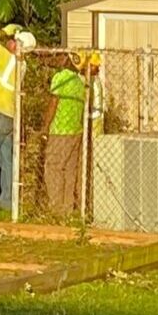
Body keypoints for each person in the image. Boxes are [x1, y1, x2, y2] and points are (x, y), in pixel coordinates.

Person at [0, 24, 33, 209]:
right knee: (7, 161)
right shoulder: (22, 65)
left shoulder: (7, 58)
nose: (10, 40)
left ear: (18, 46)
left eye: (14, 39)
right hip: (10, 116)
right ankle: (7, 202)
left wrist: (4, 31)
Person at [43, 51, 95, 214]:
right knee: (70, 169)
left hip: (60, 130)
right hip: (76, 131)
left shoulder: (61, 77)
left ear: (69, 60)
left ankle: (56, 208)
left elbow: (53, 103)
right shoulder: (81, 82)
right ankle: (67, 207)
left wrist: (45, 126)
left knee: (53, 167)